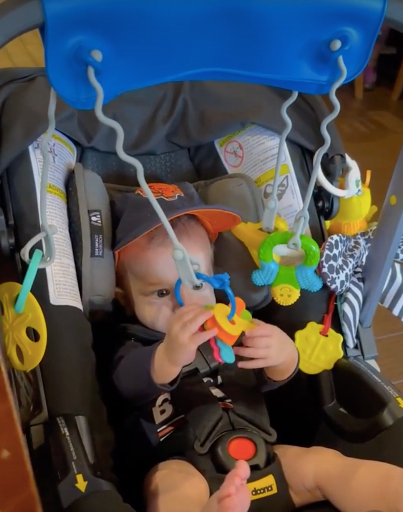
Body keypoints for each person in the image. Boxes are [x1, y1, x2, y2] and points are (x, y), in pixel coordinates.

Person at [112, 182, 403, 512]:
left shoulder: (234, 325)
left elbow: (273, 380)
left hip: (262, 453)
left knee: (325, 464)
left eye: (196, 283)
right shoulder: (133, 344)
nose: (185, 303)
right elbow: (127, 384)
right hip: (180, 462)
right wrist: (168, 356)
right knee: (170, 490)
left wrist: (282, 354)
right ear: (125, 298)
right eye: (161, 293)